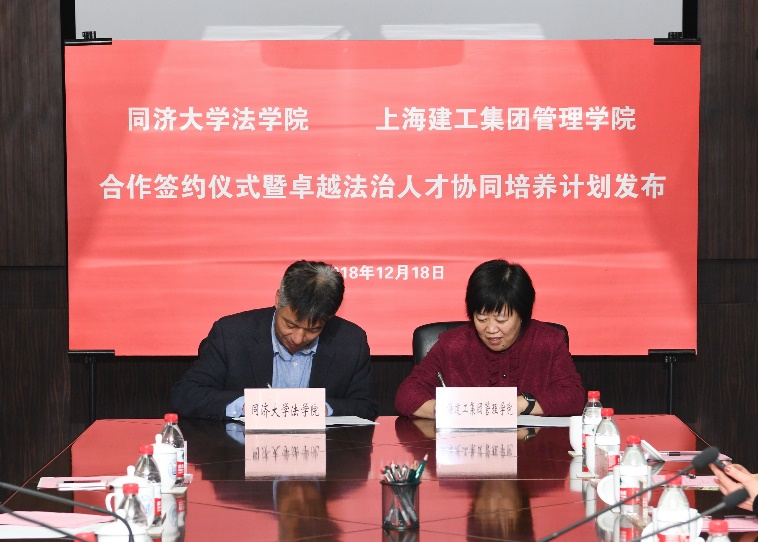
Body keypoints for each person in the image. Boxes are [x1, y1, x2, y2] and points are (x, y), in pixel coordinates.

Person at [170, 260, 379, 420]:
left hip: (324, 457)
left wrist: (321, 409)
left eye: (313, 329)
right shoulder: (232, 333)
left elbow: (366, 406)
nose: (298, 338)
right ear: (278, 299)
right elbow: (185, 395)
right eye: (290, 325)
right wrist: (247, 406)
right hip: (240, 456)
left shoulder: (351, 341)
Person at [395, 259, 585, 419]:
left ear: (522, 315)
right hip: (467, 449)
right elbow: (406, 395)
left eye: (501, 320)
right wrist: (449, 410)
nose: (491, 329)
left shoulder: (548, 341)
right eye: (481, 319)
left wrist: (520, 405)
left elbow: (574, 396)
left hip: (532, 448)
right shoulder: (453, 345)